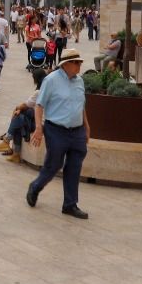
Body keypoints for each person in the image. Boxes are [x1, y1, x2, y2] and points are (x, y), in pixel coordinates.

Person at [25, 47, 90, 219]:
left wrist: (87, 126)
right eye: (76, 63)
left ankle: (70, 204)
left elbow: (80, 106)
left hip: (77, 132)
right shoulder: (51, 80)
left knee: (74, 167)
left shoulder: (80, 81)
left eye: (80, 62)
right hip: (56, 130)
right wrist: (39, 128)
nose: (79, 65)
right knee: (53, 165)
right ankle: (36, 186)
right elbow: (39, 105)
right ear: (66, 64)